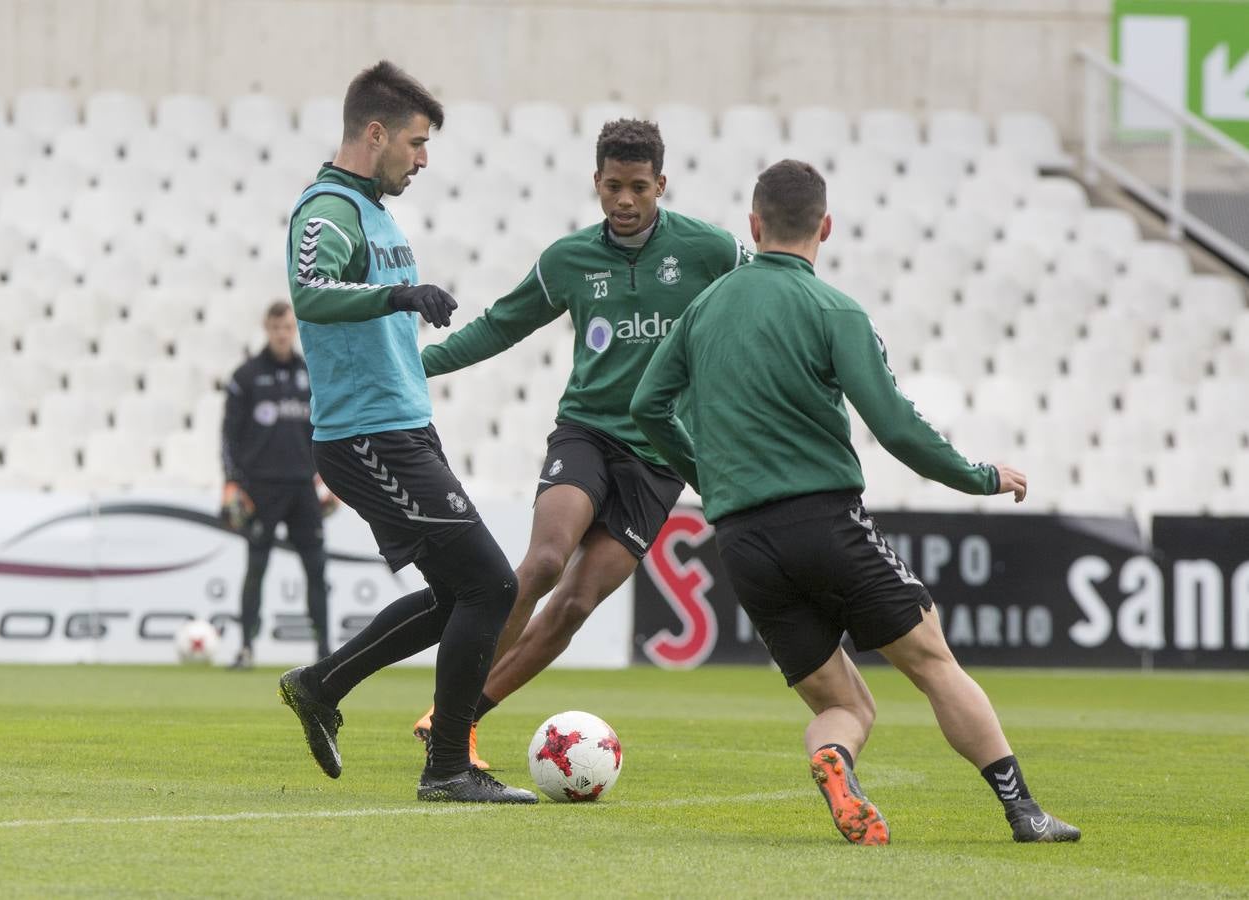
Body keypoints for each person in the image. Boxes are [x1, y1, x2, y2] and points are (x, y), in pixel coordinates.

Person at [630, 159, 1081, 845]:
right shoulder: (833, 309)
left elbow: (647, 407)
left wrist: (708, 475)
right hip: (822, 520)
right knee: (932, 662)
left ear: (753, 226)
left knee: (845, 704)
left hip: (742, 540)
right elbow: (895, 426)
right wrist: (980, 477)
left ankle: (835, 758)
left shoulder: (704, 308)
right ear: (826, 227)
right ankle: (1025, 814)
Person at [411, 119, 752, 766]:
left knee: (574, 604)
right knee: (543, 562)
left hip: (658, 458)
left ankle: (461, 720)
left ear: (661, 184)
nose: (625, 201)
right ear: (596, 182)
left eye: (639, 188)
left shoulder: (710, 251)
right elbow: (499, 326)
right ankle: (450, 711)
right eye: (614, 187)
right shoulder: (569, 259)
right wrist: (419, 365)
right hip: (588, 432)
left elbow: (769, 294)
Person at [275, 60, 536, 804]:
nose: (423, 160)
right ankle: (448, 767)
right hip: (367, 436)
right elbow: (310, 293)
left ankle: (321, 685)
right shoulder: (327, 208)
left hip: (404, 428)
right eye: (416, 144)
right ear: (376, 132)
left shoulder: (377, 211)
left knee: (463, 596)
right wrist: (398, 293)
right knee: (492, 584)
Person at [221, 301, 334, 669]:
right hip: (260, 489)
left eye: (287, 327)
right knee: (256, 568)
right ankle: (246, 648)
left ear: (294, 329)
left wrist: (334, 481)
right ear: (266, 328)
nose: (282, 334)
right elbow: (229, 437)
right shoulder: (246, 376)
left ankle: (324, 652)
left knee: (316, 569)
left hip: (304, 487)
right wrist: (231, 484)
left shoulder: (312, 373)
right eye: (275, 328)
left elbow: (330, 430)